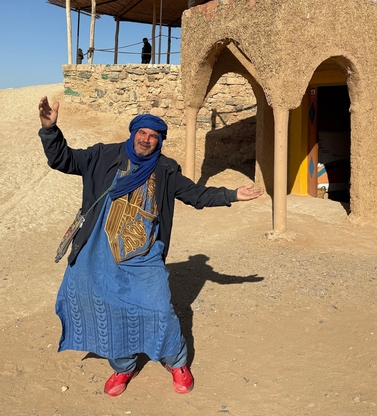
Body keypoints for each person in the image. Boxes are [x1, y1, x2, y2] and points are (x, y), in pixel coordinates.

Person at [38, 97, 263, 397]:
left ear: (159, 141)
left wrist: (232, 194)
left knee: (160, 309)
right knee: (111, 309)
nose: (146, 139)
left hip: (145, 254)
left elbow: (196, 195)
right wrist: (50, 129)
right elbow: (63, 160)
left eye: (153, 136)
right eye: (142, 133)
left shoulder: (165, 170)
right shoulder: (103, 155)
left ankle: (176, 361)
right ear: (133, 134)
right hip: (101, 251)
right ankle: (124, 365)